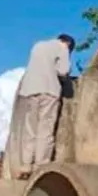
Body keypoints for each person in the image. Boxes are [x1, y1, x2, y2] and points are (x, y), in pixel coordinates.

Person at [15, 33, 75, 178]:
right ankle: (40, 166)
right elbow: (63, 71)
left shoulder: (38, 45)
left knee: (30, 129)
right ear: (68, 44)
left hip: (29, 90)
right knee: (45, 129)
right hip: (49, 90)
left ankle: (25, 166)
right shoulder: (63, 47)